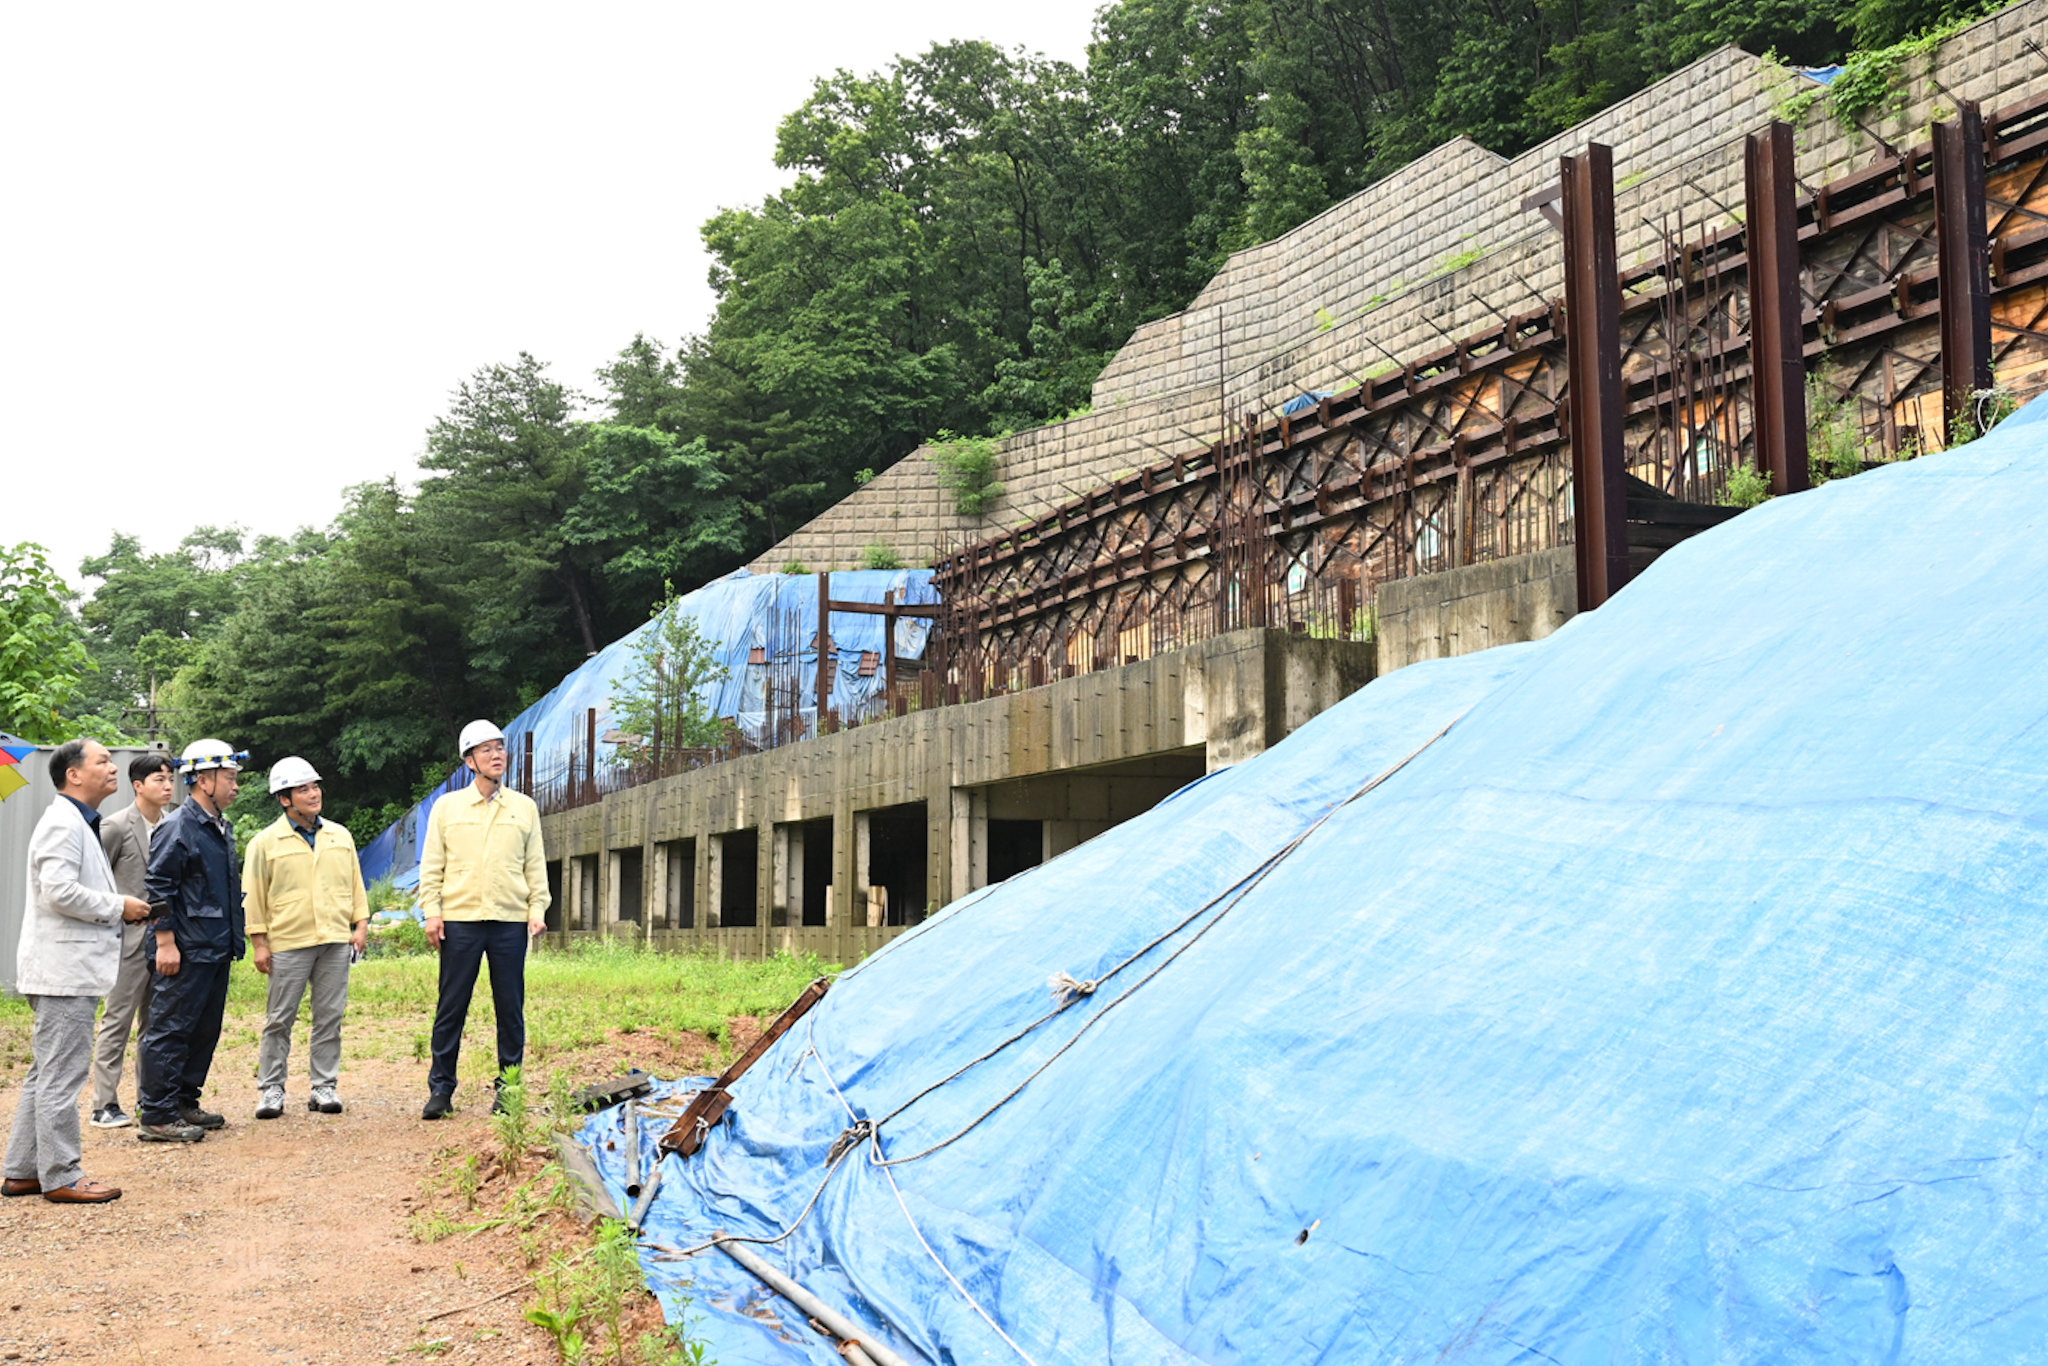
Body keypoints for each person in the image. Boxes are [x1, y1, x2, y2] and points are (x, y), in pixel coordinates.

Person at [5, 740, 151, 1203]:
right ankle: (62, 1174)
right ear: (73, 774)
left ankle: (23, 1170)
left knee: (46, 1073)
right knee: (60, 1077)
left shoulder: (79, 822)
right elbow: (59, 891)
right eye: (103, 761)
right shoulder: (62, 823)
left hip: (66, 970)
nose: (113, 768)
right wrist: (119, 905)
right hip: (62, 972)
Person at [418, 720, 549, 1120]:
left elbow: (535, 865)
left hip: (509, 921)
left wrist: (537, 909)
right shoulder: (447, 807)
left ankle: (508, 1089)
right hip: (460, 921)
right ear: (470, 761)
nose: (497, 755)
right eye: (487, 749)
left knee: (510, 1008)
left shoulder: (524, 807)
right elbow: (432, 865)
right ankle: (441, 1089)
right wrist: (432, 912)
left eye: (500, 747)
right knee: (451, 1006)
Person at [243, 756, 368, 1119]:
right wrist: (259, 944)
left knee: (329, 1016)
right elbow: (253, 896)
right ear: (285, 799)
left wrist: (360, 925)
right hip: (288, 941)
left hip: (334, 939)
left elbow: (355, 883)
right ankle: (271, 1089)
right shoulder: (265, 843)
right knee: (279, 1019)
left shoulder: (340, 836)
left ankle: (323, 1086)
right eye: (303, 790)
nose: (314, 794)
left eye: (315, 787)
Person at [137, 738, 247, 1143]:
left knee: (203, 1030)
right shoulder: (178, 826)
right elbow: (158, 886)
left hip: (214, 946)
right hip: (185, 948)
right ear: (203, 780)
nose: (235, 786)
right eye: (229, 778)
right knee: (170, 1029)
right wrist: (165, 942)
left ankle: (183, 1101)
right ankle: (157, 1114)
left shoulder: (218, 825)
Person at [88, 748, 176, 1129]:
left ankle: (149, 1098)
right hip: (126, 940)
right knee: (117, 1020)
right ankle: (103, 1104)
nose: (168, 785)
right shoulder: (115, 826)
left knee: (156, 1024)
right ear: (138, 785)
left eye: (170, 778)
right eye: (159, 779)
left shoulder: (174, 825)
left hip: (166, 940)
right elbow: (96, 882)